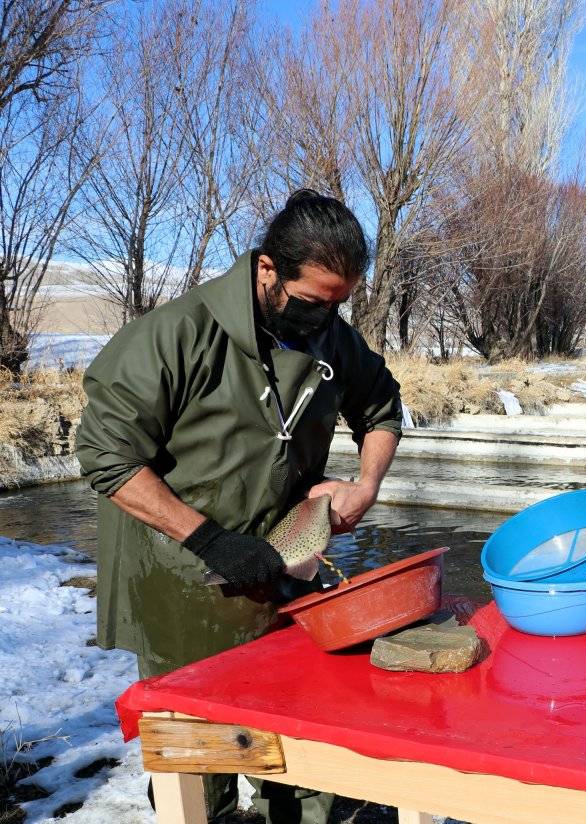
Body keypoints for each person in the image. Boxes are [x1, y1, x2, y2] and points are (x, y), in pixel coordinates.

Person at [76, 190, 404, 823]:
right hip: (178, 573)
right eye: (311, 302)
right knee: (200, 756)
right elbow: (105, 455)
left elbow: (382, 406)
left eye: (338, 305)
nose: (323, 321)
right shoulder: (176, 334)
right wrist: (208, 540)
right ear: (266, 270)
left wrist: (364, 486)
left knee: (297, 737)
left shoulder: (330, 334)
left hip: (289, 569)